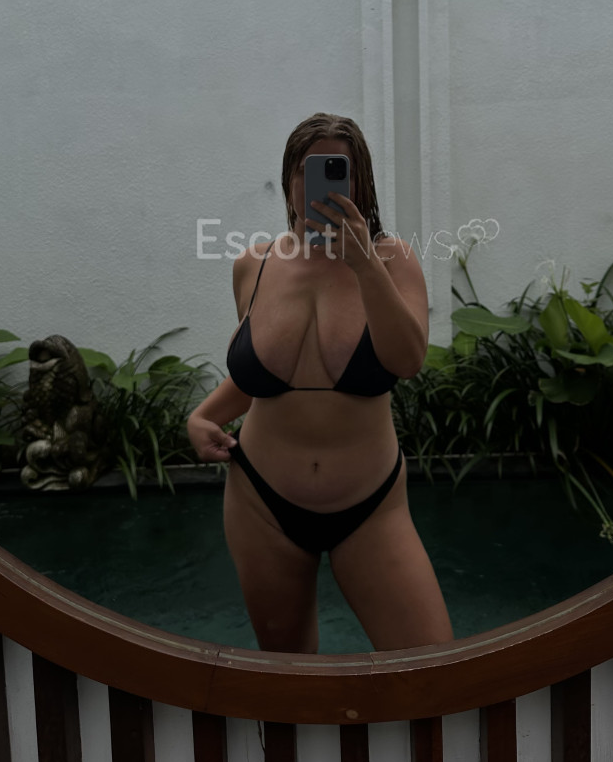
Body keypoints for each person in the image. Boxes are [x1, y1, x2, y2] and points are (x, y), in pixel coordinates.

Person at [187, 112, 453, 654]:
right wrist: (203, 415)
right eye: (305, 172)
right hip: (261, 502)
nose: (320, 185)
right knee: (288, 677)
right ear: (289, 180)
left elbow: (407, 360)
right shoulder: (254, 265)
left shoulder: (392, 260)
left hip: (371, 504)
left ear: (360, 182)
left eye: (337, 170)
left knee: (429, 667)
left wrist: (364, 265)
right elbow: (266, 376)